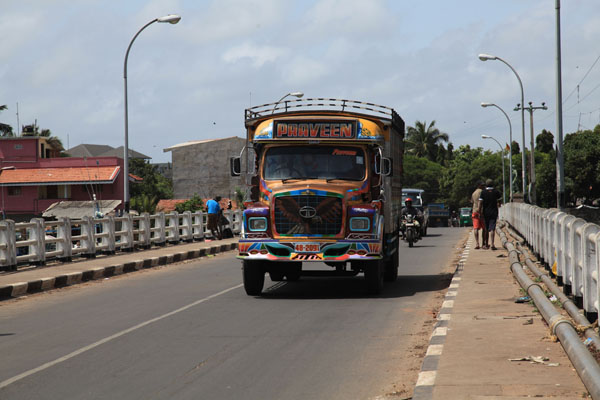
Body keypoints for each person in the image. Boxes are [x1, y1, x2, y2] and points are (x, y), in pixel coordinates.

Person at [479, 179, 502, 250]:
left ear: (486, 185)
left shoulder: (483, 192)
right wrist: (499, 205)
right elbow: (499, 200)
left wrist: (480, 212)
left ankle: (486, 244)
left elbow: (480, 203)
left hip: (485, 212)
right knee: (492, 228)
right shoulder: (496, 192)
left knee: (486, 228)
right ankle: (492, 244)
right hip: (494, 212)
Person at [471, 181, 485, 249]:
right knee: (484, 228)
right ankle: (483, 243)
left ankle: (477, 243)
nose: (484, 186)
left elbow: (472, 201)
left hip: (475, 211)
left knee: (475, 228)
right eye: (482, 185)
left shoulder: (473, 193)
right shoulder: (483, 192)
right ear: (479, 186)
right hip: (482, 212)